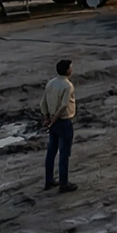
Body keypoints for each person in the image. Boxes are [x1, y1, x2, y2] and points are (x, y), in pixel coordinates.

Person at [42, 59, 78, 192]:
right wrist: (54, 119)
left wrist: (47, 118)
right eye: (71, 67)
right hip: (63, 121)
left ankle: (49, 180)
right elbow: (64, 105)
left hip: (53, 120)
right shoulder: (67, 86)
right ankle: (64, 183)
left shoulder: (50, 83)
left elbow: (43, 102)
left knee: (51, 151)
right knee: (64, 153)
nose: (72, 69)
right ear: (67, 70)